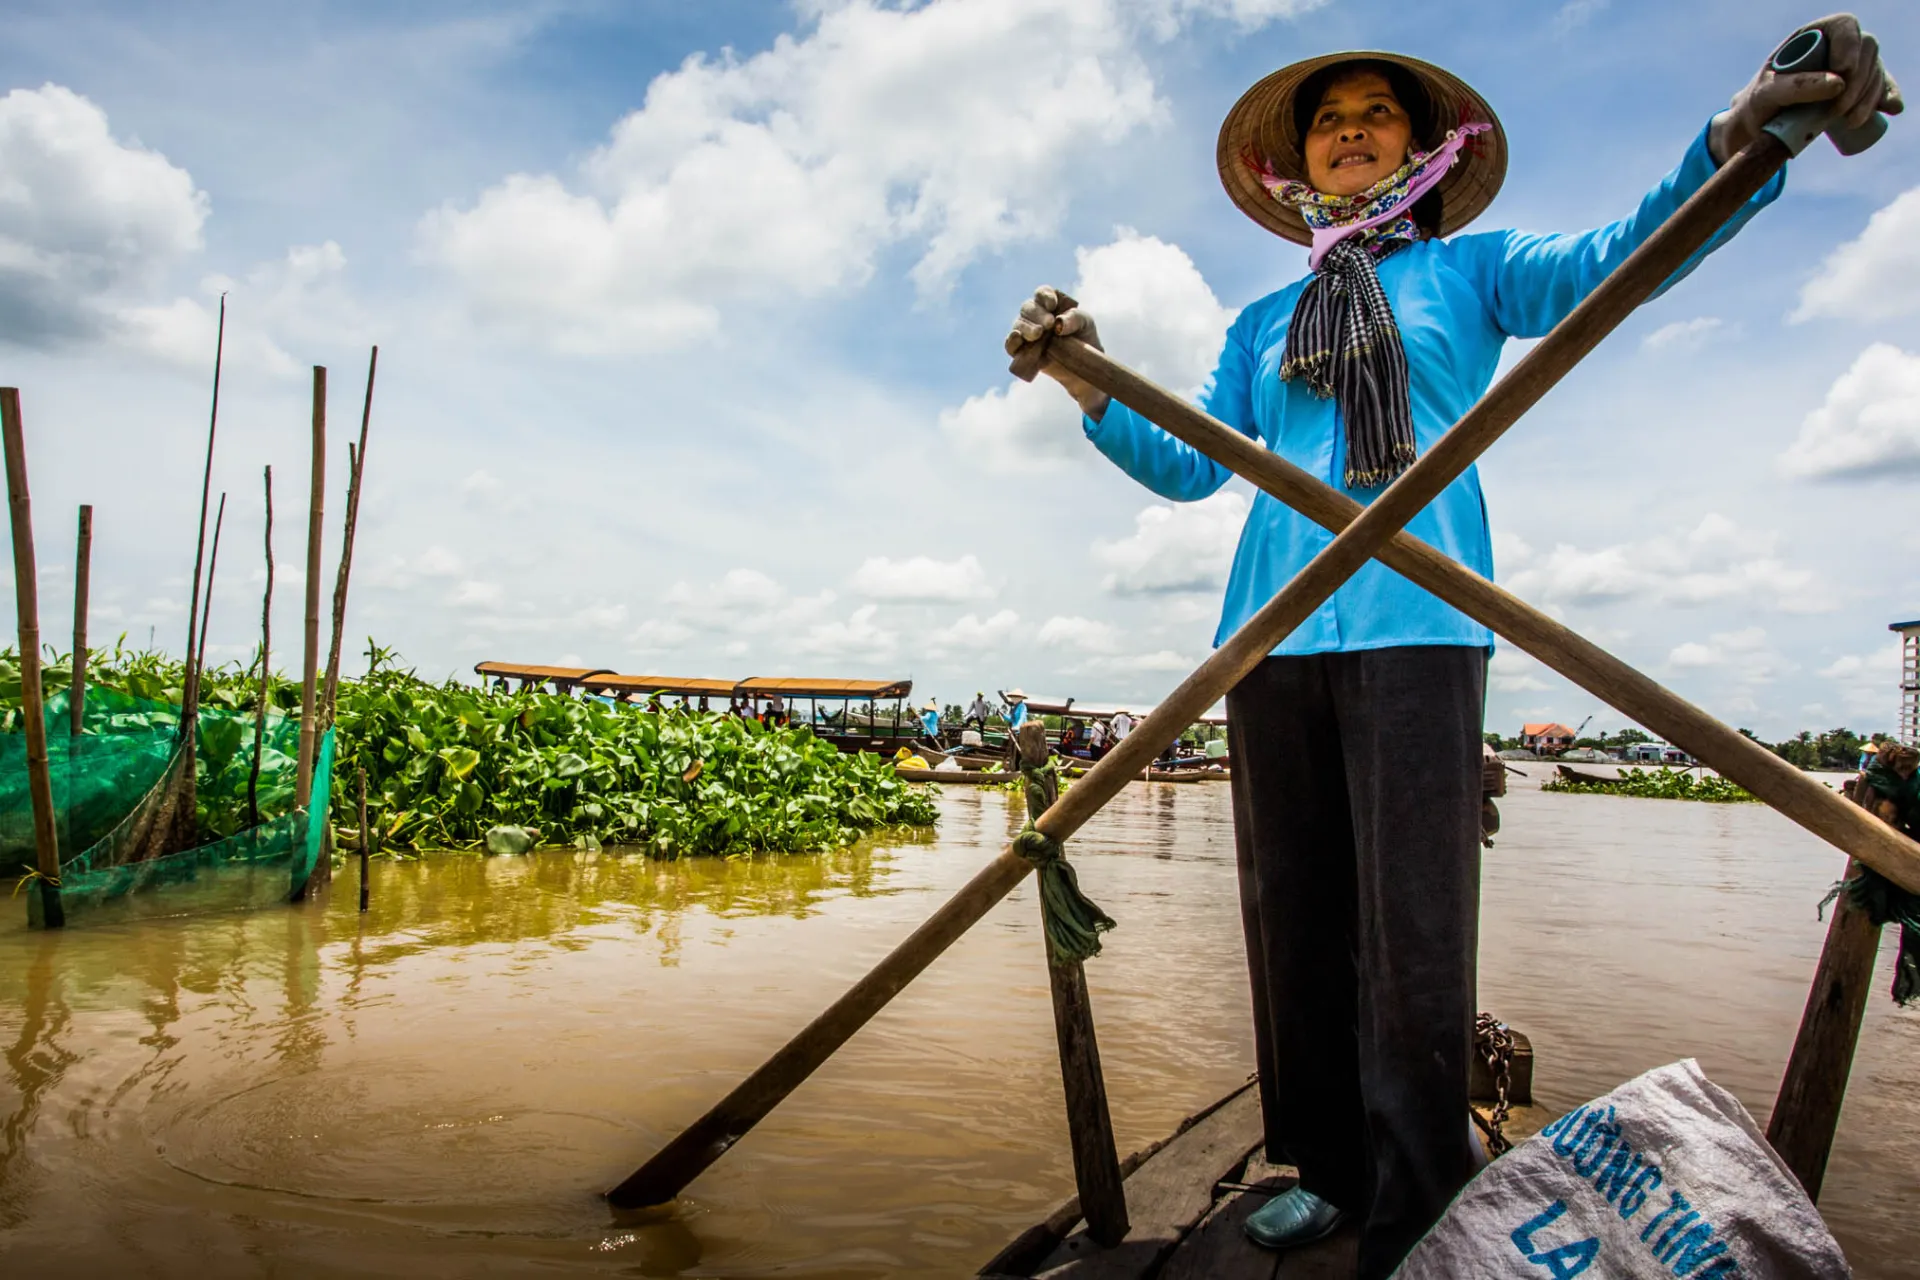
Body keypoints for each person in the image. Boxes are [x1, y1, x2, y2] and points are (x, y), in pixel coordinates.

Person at [1006, 21, 1898, 1277]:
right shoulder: (1266, 319)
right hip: (1266, 640)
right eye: (1329, 119)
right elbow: (1191, 461)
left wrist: (1738, 140)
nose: (1354, 129)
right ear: (1300, 160)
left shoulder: (1469, 274)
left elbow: (1619, 260)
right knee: (1296, 918)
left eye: (1379, 113)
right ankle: (1322, 1170)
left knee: (1413, 930)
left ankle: (1421, 1196)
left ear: (1423, 150)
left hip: (1421, 623)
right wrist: (1089, 380)